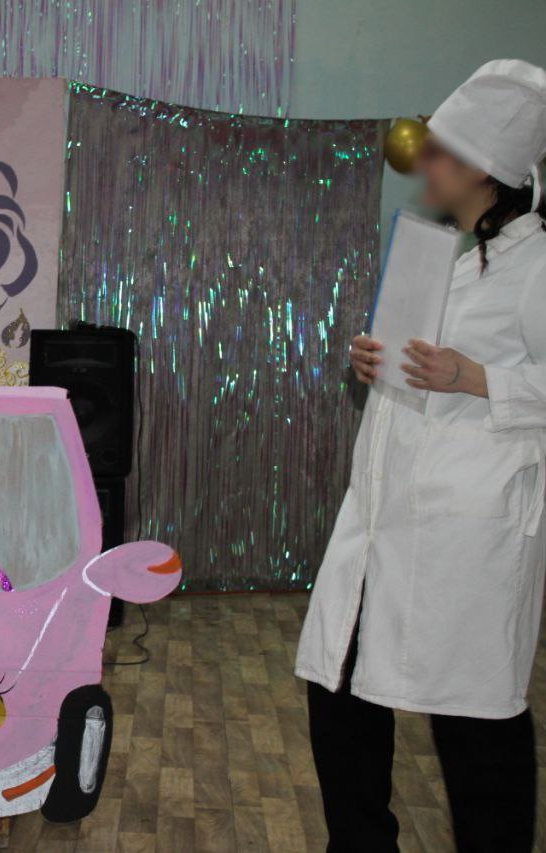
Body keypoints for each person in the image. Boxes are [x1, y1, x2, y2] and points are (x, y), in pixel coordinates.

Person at [295, 59, 546, 852]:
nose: (423, 164)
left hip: (467, 528)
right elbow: (419, 370)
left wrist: (477, 377)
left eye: (440, 151)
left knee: (474, 719)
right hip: (386, 511)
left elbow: (480, 375)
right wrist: (374, 362)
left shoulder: (537, 264)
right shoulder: (447, 256)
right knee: (337, 682)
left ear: (482, 167)